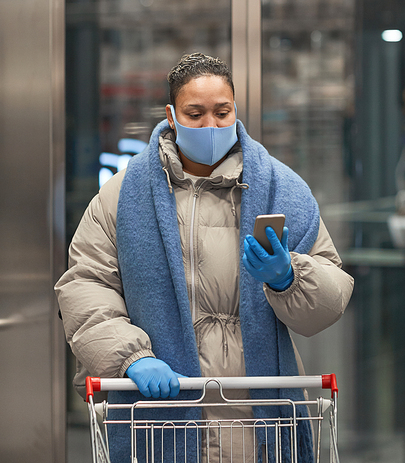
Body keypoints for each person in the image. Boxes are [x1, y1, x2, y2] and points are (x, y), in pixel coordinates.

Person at [55, 52, 354, 463]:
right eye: (194, 113)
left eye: (221, 112)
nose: (210, 125)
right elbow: (86, 285)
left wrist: (290, 277)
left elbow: (330, 298)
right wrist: (131, 357)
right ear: (171, 115)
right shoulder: (121, 196)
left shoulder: (283, 190)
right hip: (157, 416)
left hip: (259, 423)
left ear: (236, 111)